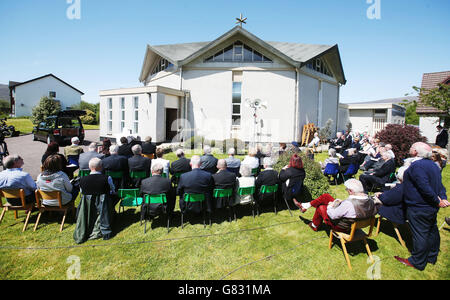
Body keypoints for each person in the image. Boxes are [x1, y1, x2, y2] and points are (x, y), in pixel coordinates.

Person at [394, 142, 449, 271]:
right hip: (429, 206)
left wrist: (438, 200)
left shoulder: (417, 166)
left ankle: (417, 261)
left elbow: (424, 186)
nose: (410, 149)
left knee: (420, 234)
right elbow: (439, 185)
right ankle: (431, 256)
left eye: (412, 147)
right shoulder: (433, 165)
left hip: (419, 206)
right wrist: (442, 198)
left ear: (416, 152)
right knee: (431, 230)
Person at [298, 179, 377, 232]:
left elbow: (332, 215)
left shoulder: (349, 204)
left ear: (351, 191)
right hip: (355, 222)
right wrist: (340, 203)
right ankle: (306, 205)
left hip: (342, 226)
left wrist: (330, 206)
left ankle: (314, 225)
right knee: (326, 196)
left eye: (347, 189)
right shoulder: (370, 200)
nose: (346, 191)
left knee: (321, 207)